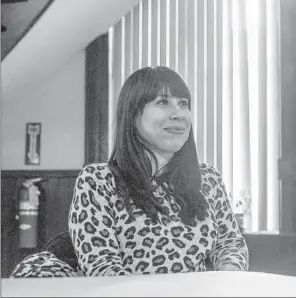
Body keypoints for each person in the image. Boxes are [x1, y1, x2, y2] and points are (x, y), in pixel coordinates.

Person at [10, 66, 249, 278]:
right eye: (163, 102)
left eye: (183, 103)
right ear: (133, 115)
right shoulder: (99, 180)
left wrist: (226, 279)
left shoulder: (207, 178)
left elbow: (230, 243)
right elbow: (102, 267)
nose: (178, 113)